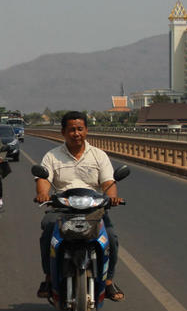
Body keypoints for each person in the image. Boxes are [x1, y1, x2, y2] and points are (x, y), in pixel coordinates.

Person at [34, 111, 125, 301]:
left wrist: (112, 198)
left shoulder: (99, 156)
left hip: (94, 207)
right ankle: (49, 278)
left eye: (80, 129)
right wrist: (43, 194)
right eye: (72, 130)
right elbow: (43, 178)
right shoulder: (52, 156)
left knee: (111, 237)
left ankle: (108, 282)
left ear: (86, 131)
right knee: (49, 231)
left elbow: (109, 182)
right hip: (62, 207)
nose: (76, 133)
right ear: (63, 132)